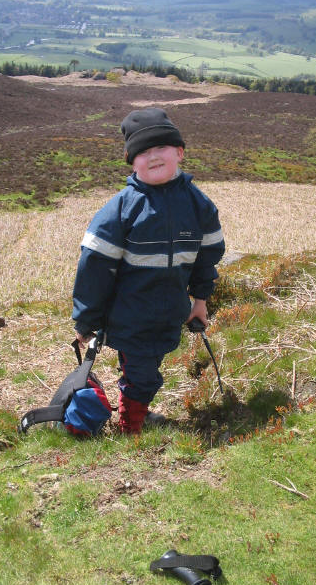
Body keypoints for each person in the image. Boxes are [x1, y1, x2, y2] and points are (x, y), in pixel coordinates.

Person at [72, 107, 225, 434]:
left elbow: (205, 258)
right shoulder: (121, 209)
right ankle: (131, 427)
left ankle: (135, 410)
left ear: (180, 153)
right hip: (130, 317)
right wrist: (86, 320)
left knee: (147, 369)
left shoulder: (199, 206)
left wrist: (199, 301)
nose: (153, 157)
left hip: (170, 313)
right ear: (131, 161)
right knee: (143, 375)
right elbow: (93, 269)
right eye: (143, 152)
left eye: (161, 148)